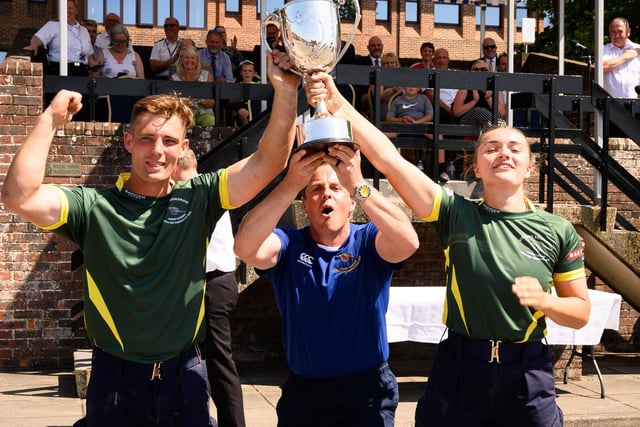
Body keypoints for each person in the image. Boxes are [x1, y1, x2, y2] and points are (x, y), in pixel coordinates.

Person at [1, 49, 299, 427]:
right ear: (128, 142)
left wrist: (286, 92)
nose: (157, 150)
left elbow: (268, 162)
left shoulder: (201, 197)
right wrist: (50, 120)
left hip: (184, 377)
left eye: (170, 141)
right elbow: (18, 195)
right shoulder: (93, 207)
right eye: (146, 139)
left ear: (184, 149)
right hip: (115, 381)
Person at [304, 72, 591, 427]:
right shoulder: (455, 213)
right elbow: (389, 159)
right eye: (491, 147)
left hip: (527, 372)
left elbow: (579, 311)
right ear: (475, 166)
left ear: (530, 167)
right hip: (461, 368)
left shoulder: (558, 230)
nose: (503, 153)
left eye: (515, 148)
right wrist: (335, 101)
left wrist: (546, 302)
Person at [233, 143, 419, 427]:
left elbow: (408, 242)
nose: (326, 195)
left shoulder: (368, 240)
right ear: (305, 204)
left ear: (352, 201)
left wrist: (358, 183)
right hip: (306, 394)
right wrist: (289, 185)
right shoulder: (289, 244)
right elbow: (245, 247)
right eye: (316, 189)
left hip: (367, 393)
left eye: (336, 187)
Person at [173, 149, 246, 427]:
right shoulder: (202, 188)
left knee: (219, 364)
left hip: (214, 283)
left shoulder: (200, 193)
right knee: (195, 359)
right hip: (206, 282)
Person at [23, 0, 95, 76]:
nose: (67, 11)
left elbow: (89, 57)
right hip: (59, 70)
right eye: (64, 8)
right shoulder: (53, 26)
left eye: (70, 8)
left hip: (81, 72)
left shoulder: (84, 31)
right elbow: (37, 38)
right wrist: (34, 45)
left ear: (76, 10)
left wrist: (97, 64)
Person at [451, 60, 506, 127]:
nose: (479, 72)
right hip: (467, 121)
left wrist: (488, 98)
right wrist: (474, 101)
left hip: (486, 124)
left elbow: (501, 114)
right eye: (476, 70)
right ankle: (498, 127)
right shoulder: (466, 87)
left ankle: (496, 127)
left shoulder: (495, 88)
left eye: (483, 70)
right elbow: (456, 112)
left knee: (482, 112)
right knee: (477, 111)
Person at [171, 45, 216, 127]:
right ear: (181, 60)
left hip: (204, 112)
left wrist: (205, 102)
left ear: (197, 60)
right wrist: (184, 102)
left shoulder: (207, 75)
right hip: (185, 112)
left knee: (210, 120)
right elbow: (172, 103)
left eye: (193, 58)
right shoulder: (174, 78)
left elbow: (212, 103)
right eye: (186, 58)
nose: (189, 61)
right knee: (189, 122)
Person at [603, 17, 640, 98]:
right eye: (613, 32)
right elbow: (601, 67)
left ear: (628, 32)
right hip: (610, 105)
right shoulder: (604, 49)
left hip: (635, 106)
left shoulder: (638, 49)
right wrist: (626, 56)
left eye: (620, 31)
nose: (616, 35)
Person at [424, 48, 458, 124]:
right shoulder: (429, 74)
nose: (441, 61)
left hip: (457, 107)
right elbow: (431, 96)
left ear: (448, 60)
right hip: (440, 107)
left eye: (444, 58)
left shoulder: (455, 74)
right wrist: (449, 110)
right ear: (434, 60)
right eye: (439, 58)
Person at [232, 59, 260, 126]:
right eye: (245, 71)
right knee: (243, 112)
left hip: (255, 105)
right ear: (241, 73)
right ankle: (246, 129)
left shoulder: (258, 85)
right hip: (242, 104)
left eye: (250, 71)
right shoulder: (237, 85)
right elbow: (232, 101)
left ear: (254, 73)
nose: (247, 73)